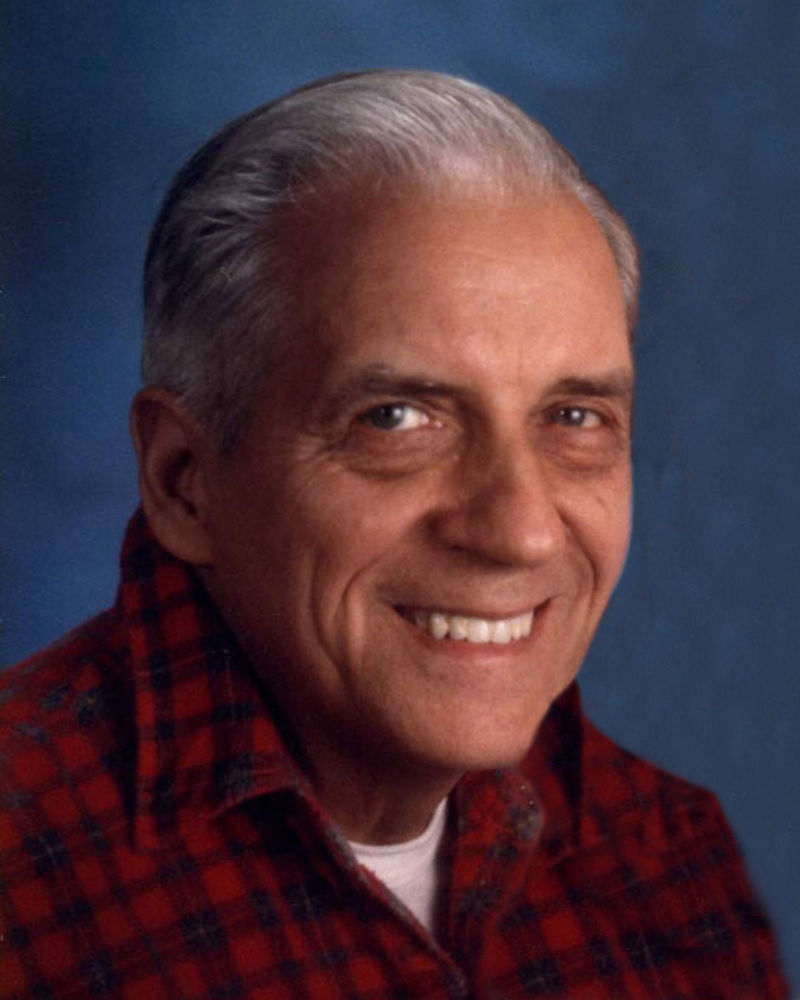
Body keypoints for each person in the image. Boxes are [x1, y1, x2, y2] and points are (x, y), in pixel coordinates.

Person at [0, 70, 788, 999]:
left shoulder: (669, 861)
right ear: (185, 480)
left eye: (574, 419)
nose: (521, 533)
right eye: (396, 419)